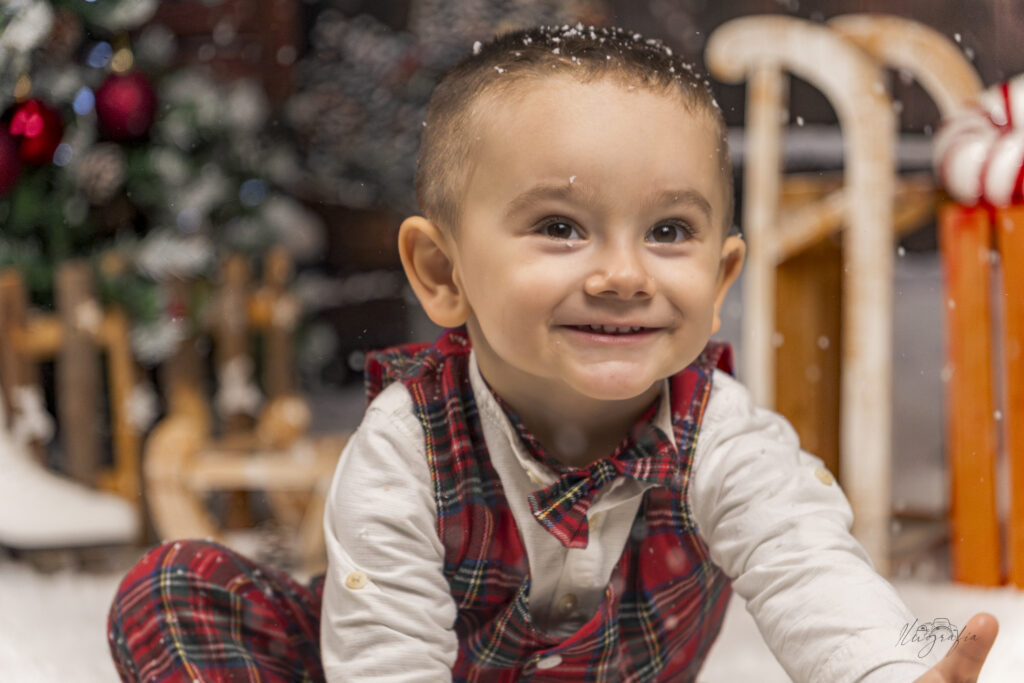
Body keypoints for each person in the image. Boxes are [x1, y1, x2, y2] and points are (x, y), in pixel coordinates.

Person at [108, 24, 998, 682]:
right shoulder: (405, 446)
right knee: (173, 588)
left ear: (723, 275)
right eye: (560, 227)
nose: (622, 273)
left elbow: (809, 565)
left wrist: (884, 671)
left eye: (670, 230)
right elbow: (383, 653)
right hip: (383, 659)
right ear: (441, 271)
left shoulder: (724, 439)